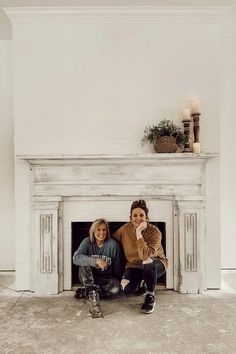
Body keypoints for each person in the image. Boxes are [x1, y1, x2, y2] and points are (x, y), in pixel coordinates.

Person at [112, 200, 168, 314]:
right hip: (134, 265)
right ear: (130, 218)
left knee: (147, 261)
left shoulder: (154, 232)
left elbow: (144, 256)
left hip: (155, 264)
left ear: (146, 217)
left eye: (141, 215)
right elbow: (112, 240)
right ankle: (143, 281)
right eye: (135, 215)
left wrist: (138, 232)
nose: (138, 218)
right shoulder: (125, 229)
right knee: (126, 288)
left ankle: (150, 296)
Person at [73, 218, 123, 318]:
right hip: (88, 277)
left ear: (107, 231)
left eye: (104, 230)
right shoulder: (87, 242)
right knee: (85, 263)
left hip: (104, 280)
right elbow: (76, 258)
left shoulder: (113, 245)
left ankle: (87, 292)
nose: (101, 233)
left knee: (116, 289)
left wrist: (117, 282)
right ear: (93, 231)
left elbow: (118, 268)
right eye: (98, 230)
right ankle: (94, 304)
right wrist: (96, 261)